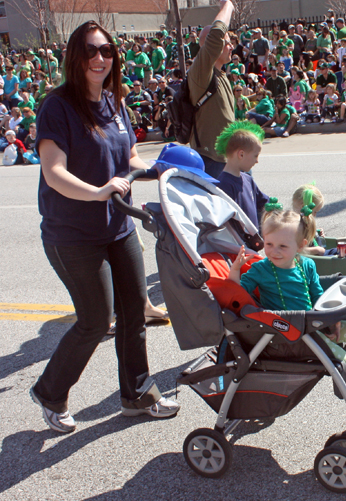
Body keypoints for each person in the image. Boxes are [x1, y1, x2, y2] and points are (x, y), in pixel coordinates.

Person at [30, 20, 180, 434]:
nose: (100, 58)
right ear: (75, 58)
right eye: (91, 51)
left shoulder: (115, 102)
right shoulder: (57, 106)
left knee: (135, 314)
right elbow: (54, 172)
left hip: (118, 226)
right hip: (72, 233)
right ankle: (50, 391)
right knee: (95, 320)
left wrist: (158, 169)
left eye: (107, 51)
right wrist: (98, 192)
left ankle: (137, 394)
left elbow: (128, 157)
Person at [228, 208, 346, 390]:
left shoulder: (306, 265)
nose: (274, 251)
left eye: (282, 246)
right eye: (269, 244)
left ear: (300, 246)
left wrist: (332, 321)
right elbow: (237, 294)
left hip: (312, 326)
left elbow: (318, 296)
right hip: (287, 336)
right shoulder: (261, 269)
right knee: (329, 347)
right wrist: (235, 270)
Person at [187, 0, 235, 179]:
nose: (231, 46)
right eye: (227, 42)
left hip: (231, 158)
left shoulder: (221, 75)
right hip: (212, 162)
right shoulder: (201, 73)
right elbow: (215, 35)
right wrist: (227, 6)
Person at [216, 121, 268, 228]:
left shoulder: (248, 179)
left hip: (252, 242)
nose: (257, 160)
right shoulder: (224, 185)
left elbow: (263, 202)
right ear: (241, 154)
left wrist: (274, 208)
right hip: (239, 244)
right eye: (255, 156)